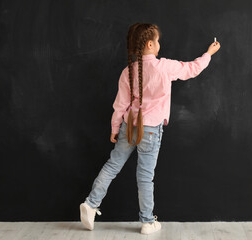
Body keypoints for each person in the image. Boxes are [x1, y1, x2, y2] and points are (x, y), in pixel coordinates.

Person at [79, 22, 221, 235]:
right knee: (145, 176)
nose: (159, 44)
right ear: (149, 44)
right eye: (157, 41)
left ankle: (90, 203)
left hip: (129, 125)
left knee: (112, 165)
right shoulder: (164, 67)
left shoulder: (128, 70)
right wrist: (209, 53)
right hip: (151, 128)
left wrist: (114, 128)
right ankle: (147, 221)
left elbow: (120, 104)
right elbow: (192, 68)